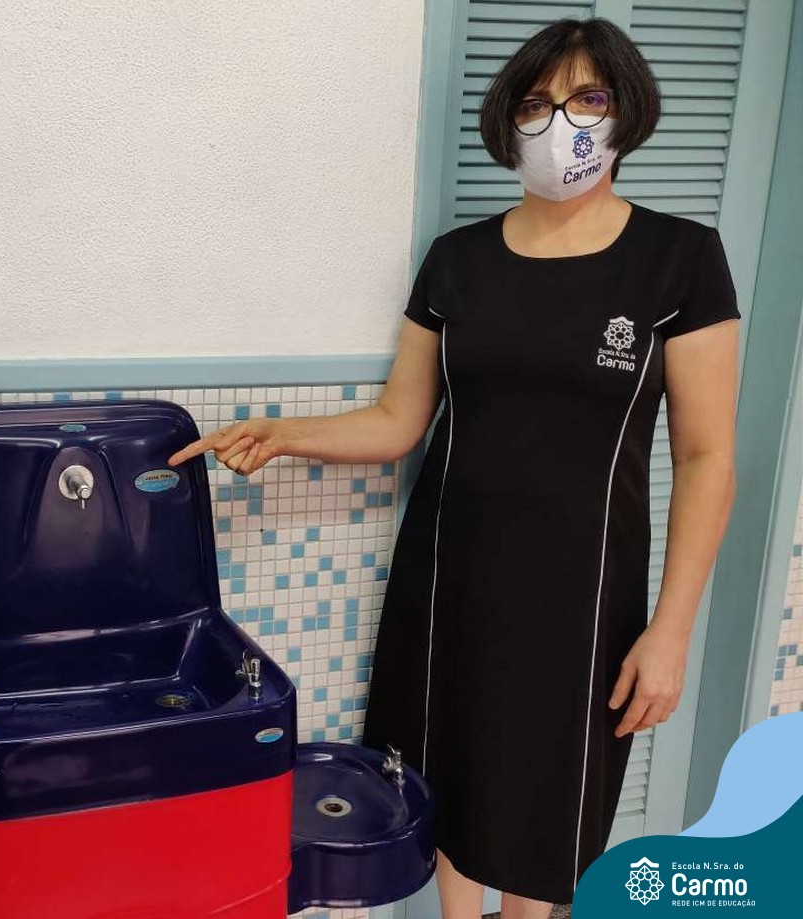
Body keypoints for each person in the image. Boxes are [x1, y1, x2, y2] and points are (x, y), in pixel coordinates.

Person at [166, 17, 739, 919]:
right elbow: (399, 421)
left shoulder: (681, 261)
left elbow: (706, 456)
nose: (560, 122)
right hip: (447, 585)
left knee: (545, 818)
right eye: (537, 103)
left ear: (626, 112)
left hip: (584, 599)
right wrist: (282, 433)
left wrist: (670, 632)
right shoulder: (457, 261)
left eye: (587, 98)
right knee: (446, 791)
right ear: (509, 120)